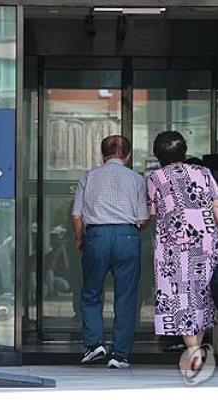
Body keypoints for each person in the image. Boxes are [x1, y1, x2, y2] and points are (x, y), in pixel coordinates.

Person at [147, 131, 218, 370]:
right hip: (205, 242)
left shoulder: (156, 177)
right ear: (184, 152)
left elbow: (152, 213)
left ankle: (193, 350)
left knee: (180, 295)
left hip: (172, 245)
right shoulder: (203, 173)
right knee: (202, 294)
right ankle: (197, 349)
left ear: (158, 155)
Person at [71, 135, 149, 369]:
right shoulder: (137, 179)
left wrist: (79, 239)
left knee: (90, 293)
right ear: (127, 155)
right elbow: (142, 219)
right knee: (126, 296)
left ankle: (94, 344)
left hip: (96, 236)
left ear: (102, 154)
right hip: (127, 236)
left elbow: (76, 216)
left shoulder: (88, 176)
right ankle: (120, 355)